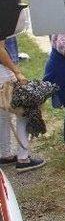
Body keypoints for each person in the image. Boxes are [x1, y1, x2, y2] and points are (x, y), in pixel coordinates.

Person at [0, 39, 46, 172]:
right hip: (2, 72)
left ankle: (5, 154)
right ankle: (23, 158)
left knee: (3, 114)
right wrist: (16, 71)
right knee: (24, 112)